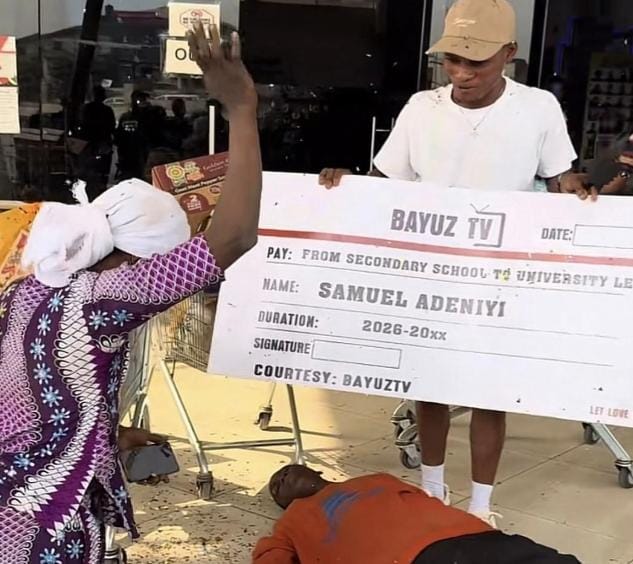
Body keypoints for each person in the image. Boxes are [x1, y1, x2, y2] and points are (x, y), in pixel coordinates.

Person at [318, 0, 598, 527]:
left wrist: (574, 187)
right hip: (432, 272)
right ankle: (431, 489)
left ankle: (482, 506)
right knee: (430, 384)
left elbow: (559, 175)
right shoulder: (422, 108)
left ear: (509, 54)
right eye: (452, 60)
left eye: (477, 62)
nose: (462, 73)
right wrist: (346, 187)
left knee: (490, 391)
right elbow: (386, 182)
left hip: (501, 274)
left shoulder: (537, 108)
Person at [0, 20, 260, 563]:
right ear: (143, 259)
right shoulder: (102, 299)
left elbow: (30, 398)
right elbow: (234, 236)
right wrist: (240, 109)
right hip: (43, 523)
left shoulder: (27, 288)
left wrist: (107, 434)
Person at [253, 465, 581, 563]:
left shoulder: (375, 479)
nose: (280, 478)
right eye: (276, 487)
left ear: (315, 471)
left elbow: (424, 500)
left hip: (468, 536)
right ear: (283, 504)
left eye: (284, 471)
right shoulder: (291, 522)